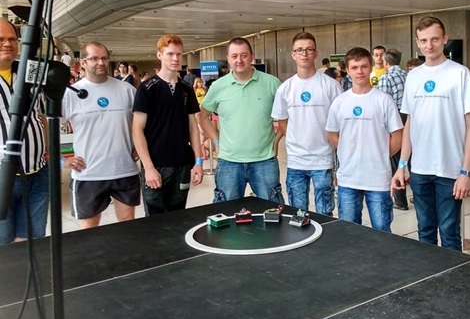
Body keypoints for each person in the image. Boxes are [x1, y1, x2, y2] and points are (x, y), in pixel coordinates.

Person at [391, 16, 470, 251]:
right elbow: (410, 123)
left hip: (450, 170)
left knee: (450, 233)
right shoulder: (413, 76)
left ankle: (451, 275)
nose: (429, 45)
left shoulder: (460, 73)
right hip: (420, 170)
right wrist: (402, 166)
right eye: (423, 40)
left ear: (445, 39)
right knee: (425, 230)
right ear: (417, 42)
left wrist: (466, 171)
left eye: (434, 39)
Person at [62, 42, 139, 228]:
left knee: (127, 224)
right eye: (94, 58)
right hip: (88, 173)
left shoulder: (127, 90)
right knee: (90, 227)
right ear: (83, 63)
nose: (101, 63)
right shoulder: (71, 93)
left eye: (104, 58)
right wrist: (61, 159)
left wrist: (139, 146)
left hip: (123, 169)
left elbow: (140, 124)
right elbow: (48, 125)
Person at [326, 47, 403, 232]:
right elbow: (332, 135)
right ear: (347, 70)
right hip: (348, 179)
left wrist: (379, 154)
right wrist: (349, 151)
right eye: (354, 67)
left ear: (371, 68)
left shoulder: (384, 100)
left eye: (364, 66)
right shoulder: (340, 102)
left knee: (381, 232)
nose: (359, 71)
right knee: (349, 233)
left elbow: (398, 137)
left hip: (378, 179)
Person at [200, 37, 284, 203]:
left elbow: (286, 117)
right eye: (234, 56)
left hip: (264, 161)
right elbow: (202, 116)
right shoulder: (218, 86)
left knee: (272, 211)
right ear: (228, 58)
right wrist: (216, 142)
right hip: (229, 162)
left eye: (244, 55)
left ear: (251, 57)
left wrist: (276, 140)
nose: (239, 60)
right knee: (226, 212)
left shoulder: (272, 83)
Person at [132, 35, 204, 215]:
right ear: (159, 55)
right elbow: (137, 129)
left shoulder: (186, 89)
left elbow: (193, 127)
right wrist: (148, 167)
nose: (175, 58)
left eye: (179, 54)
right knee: (155, 218)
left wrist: (198, 162)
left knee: (178, 215)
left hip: (182, 165)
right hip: (157, 165)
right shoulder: (147, 88)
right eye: (170, 54)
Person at [271, 32, 341, 215]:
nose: (304, 53)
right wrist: (296, 140)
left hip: (323, 160)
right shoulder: (285, 88)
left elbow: (340, 122)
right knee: (297, 213)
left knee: (324, 213)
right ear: (293, 54)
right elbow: (282, 121)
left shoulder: (331, 86)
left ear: (316, 53)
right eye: (300, 50)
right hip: (296, 160)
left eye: (309, 49)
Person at [0, 18, 49, 245]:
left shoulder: (31, 71)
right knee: (4, 244)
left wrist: (48, 152)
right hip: (2, 175)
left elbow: (41, 116)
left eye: (12, 39)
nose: (7, 44)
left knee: (33, 239)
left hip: (38, 172)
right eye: (1, 39)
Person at [377, 48, 409, 210]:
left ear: (385, 62)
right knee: (412, 159)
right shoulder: (408, 75)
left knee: (395, 160)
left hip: (396, 118)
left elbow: (383, 104)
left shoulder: (386, 77)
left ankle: (400, 201)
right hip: (411, 117)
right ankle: (418, 197)